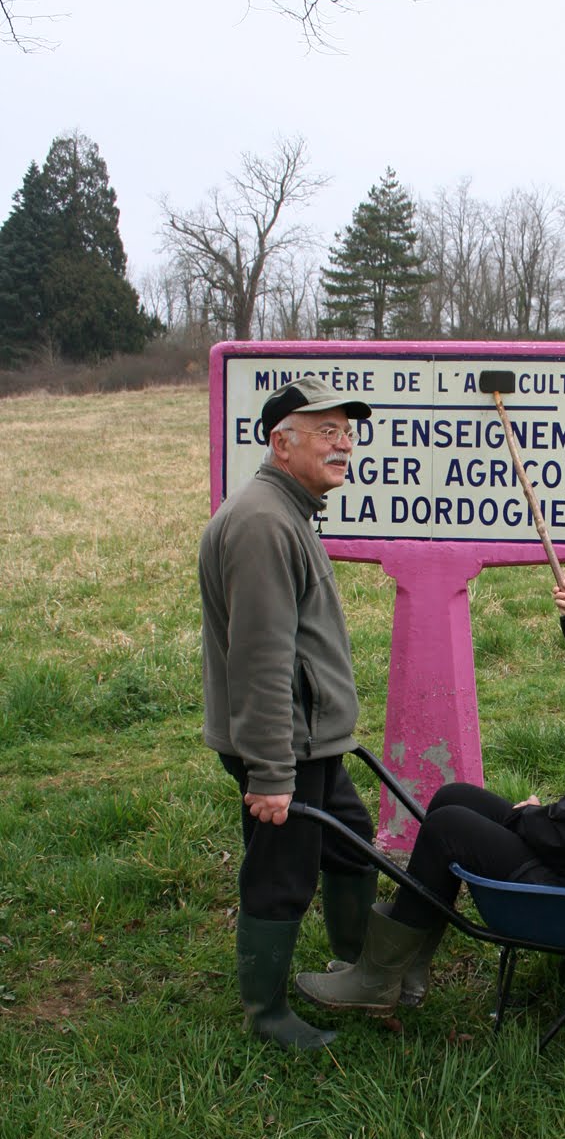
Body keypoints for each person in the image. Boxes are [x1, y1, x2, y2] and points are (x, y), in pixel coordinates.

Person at [295, 572, 565, 1017]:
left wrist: (534, 818)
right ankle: (406, 966)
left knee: (449, 828)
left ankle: (375, 982)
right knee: (453, 798)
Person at [199, 376, 380, 1050]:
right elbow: (262, 659)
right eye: (327, 432)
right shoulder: (262, 525)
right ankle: (267, 1016)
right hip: (286, 748)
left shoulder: (287, 513)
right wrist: (271, 772)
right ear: (282, 442)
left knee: (353, 851)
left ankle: (357, 970)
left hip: (314, 742)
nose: (345, 445)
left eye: (348, 432)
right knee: (280, 876)